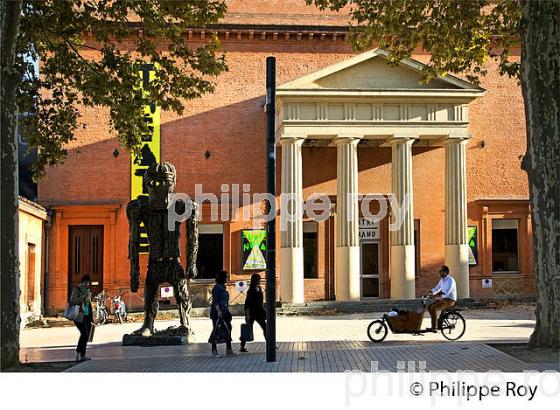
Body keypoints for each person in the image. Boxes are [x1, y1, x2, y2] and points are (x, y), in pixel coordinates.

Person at [210, 270, 236, 358]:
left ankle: (229, 349)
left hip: (224, 311)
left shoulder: (223, 287)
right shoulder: (217, 288)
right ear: (222, 277)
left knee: (228, 328)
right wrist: (219, 312)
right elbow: (215, 301)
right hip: (217, 313)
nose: (227, 278)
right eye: (226, 276)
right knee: (216, 330)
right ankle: (214, 350)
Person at [424, 265, 457, 332]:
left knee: (433, 307)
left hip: (449, 300)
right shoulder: (442, 280)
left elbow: (447, 291)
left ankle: (434, 327)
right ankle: (436, 323)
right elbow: (437, 288)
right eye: (439, 271)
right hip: (443, 299)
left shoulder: (451, 280)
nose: (439, 273)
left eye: (441, 271)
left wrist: (439, 297)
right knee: (429, 306)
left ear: (446, 272)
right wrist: (430, 292)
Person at [240, 273, 266, 353]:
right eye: (258, 280)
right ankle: (242, 346)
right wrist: (247, 315)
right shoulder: (250, 290)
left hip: (259, 312)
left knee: (265, 327)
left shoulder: (259, 289)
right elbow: (247, 303)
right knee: (248, 328)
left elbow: (261, 302)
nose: (259, 281)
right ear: (255, 280)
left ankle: (270, 343)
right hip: (251, 313)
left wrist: (263, 309)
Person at [69, 275, 94, 361]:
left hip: (87, 315)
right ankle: (79, 353)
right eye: (85, 282)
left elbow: (88, 304)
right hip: (79, 315)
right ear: (82, 282)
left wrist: (92, 317)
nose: (87, 284)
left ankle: (82, 354)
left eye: (88, 282)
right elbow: (72, 300)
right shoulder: (77, 290)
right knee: (84, 334)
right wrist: (83, 297)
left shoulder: (88, 291)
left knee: (86, 336)